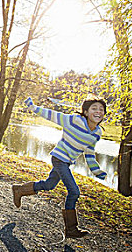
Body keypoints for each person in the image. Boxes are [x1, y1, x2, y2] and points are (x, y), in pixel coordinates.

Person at [12, 96, 107, 239]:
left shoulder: (97, 133)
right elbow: (54, 116)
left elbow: (89, 153)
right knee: (74, 192)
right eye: (94, 108)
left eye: (101, 109)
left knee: (49, 185)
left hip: (66, 162)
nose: (98, 111)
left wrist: (96, 170)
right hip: (59, 159)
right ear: (86, 112)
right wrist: (33, 108)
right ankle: (71, 228)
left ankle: (20, 190)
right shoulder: (76, 121)